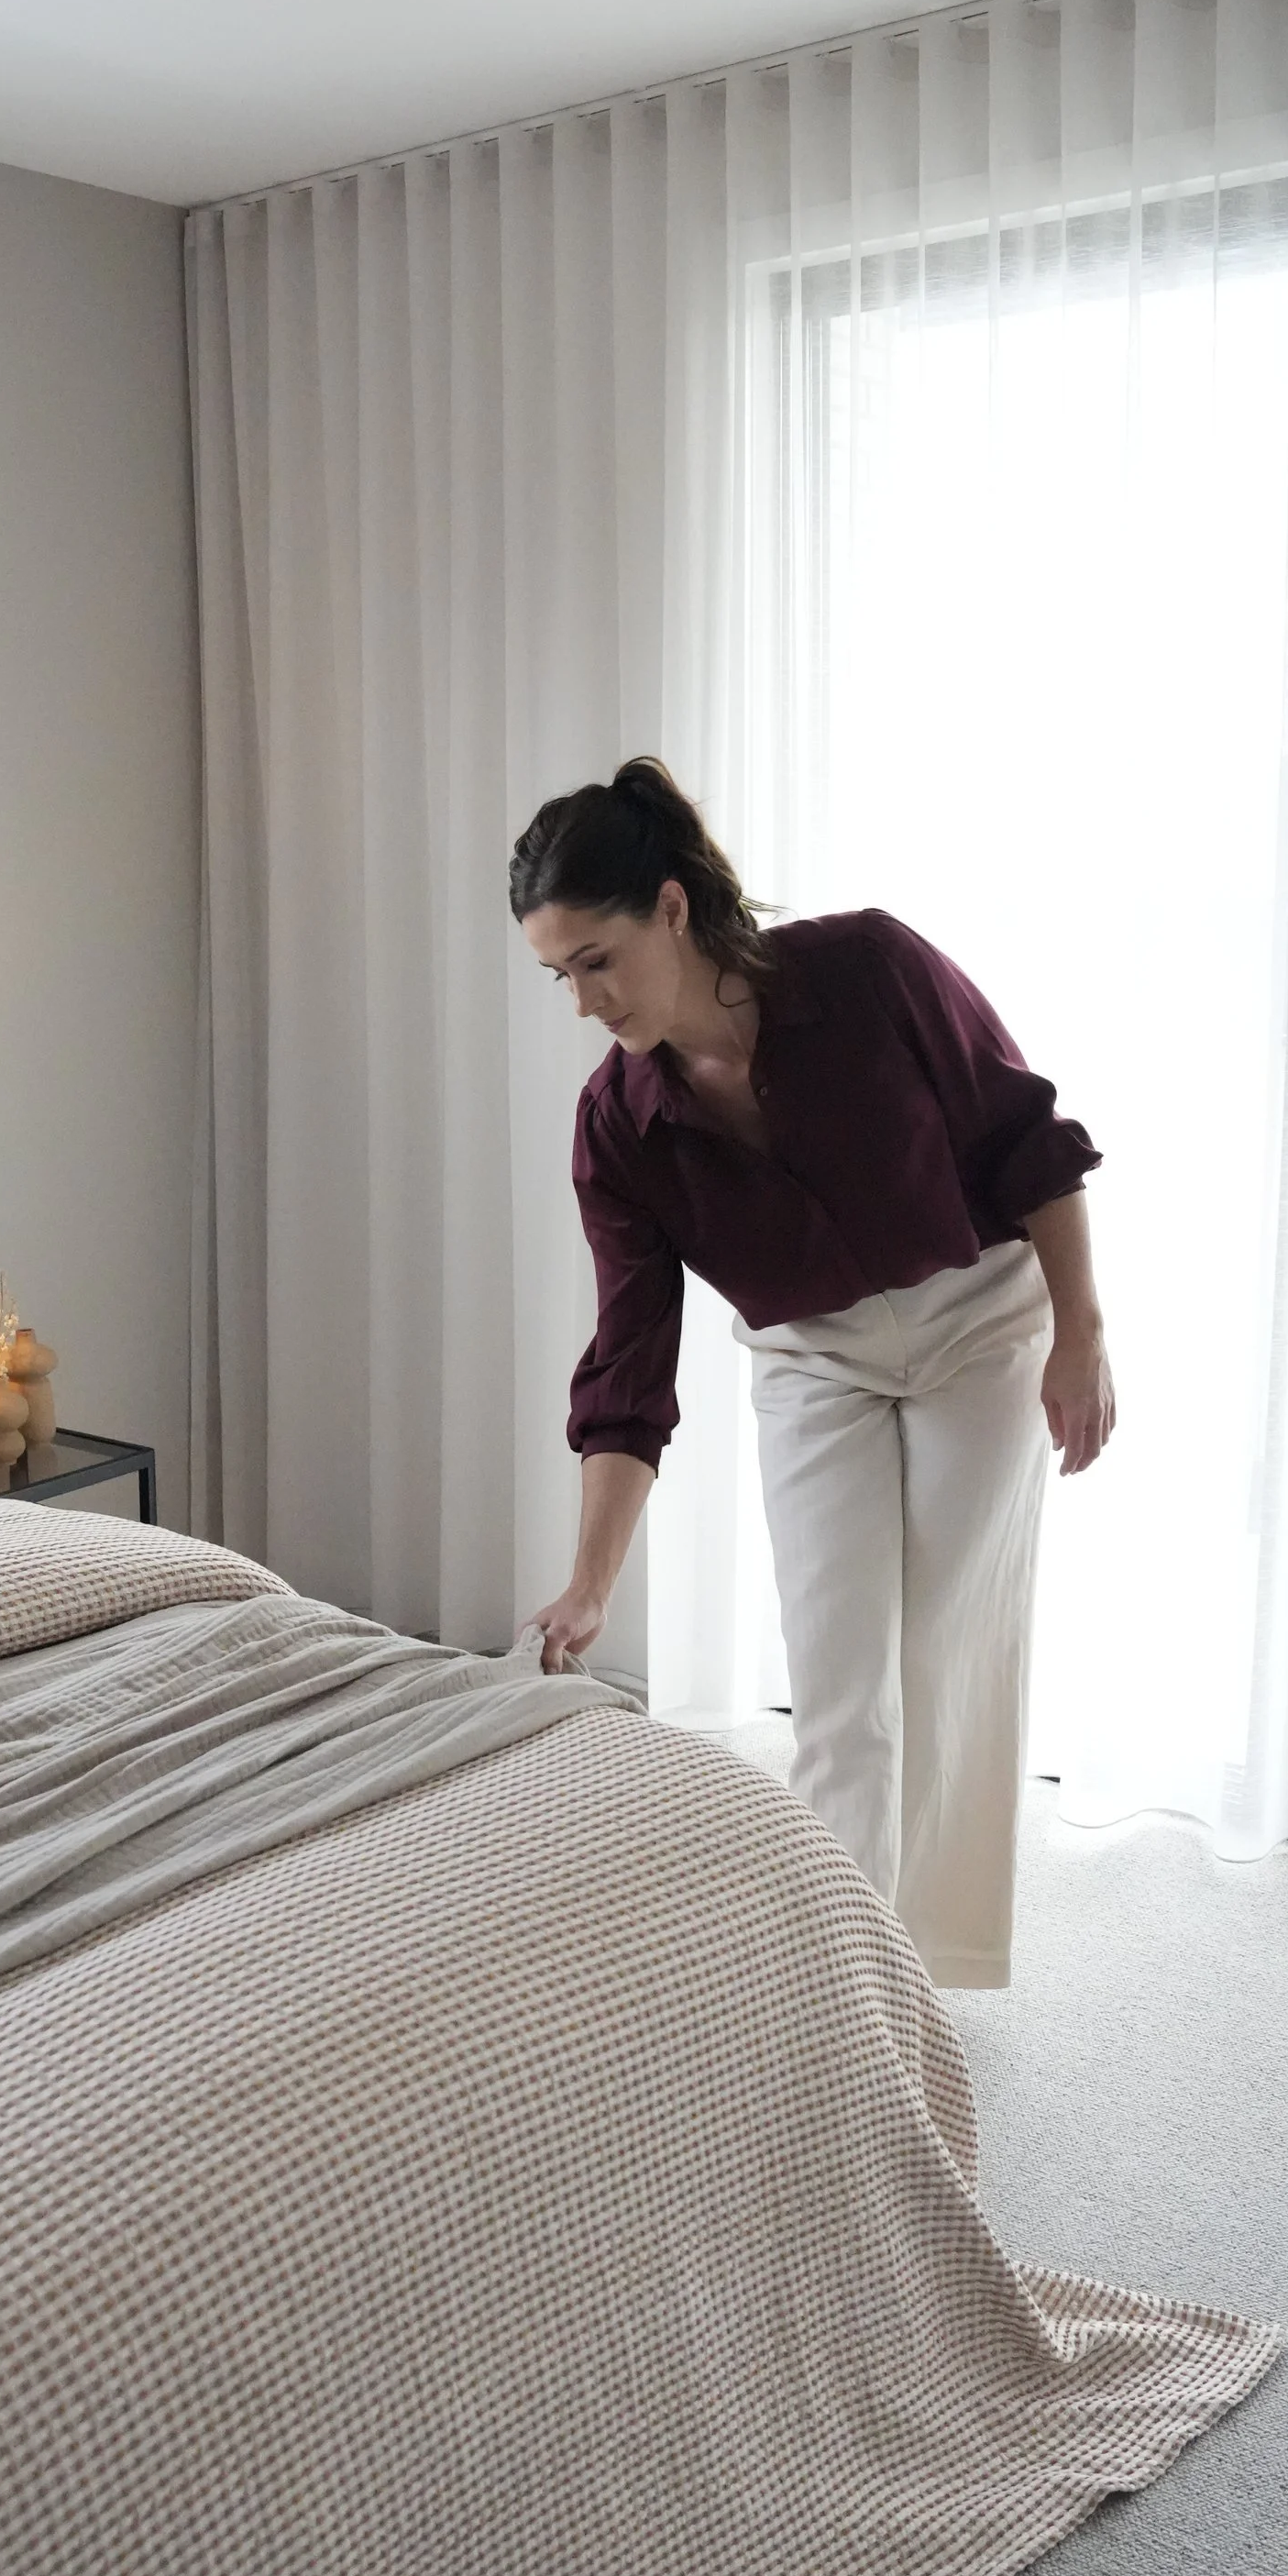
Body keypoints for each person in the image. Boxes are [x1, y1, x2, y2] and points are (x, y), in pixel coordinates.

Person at [512, 758, 1114, 1990]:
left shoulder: (873, 972)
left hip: (976, 1324)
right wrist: (589, 1583)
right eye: (558, 974)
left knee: (952, 1656)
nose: (582, 1000)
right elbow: (630, 1361)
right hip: (814, 1360)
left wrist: (1083, 1334)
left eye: (597, 959)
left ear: (673, 908)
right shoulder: (618, 1126)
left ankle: (935, 1965)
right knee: (839, 1682)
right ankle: (849, 1990)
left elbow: (1027, 1142)